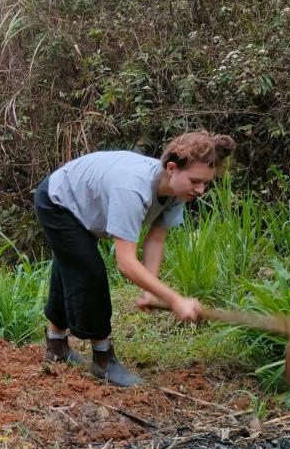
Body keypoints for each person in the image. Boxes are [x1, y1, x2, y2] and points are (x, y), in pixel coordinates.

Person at [33, 130, 236, 387]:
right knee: (89, 272)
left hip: (82, 204)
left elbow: (156, 238)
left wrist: (149, 290)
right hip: (57, 201)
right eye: (196, 181)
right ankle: (103, 359)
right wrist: (175, 299)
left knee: (71, 264)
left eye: (206, 183)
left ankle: (56, 345)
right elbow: (126, 263)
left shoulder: (177, 191)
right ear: (172, 168)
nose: (201, 190)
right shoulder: (132, 187)